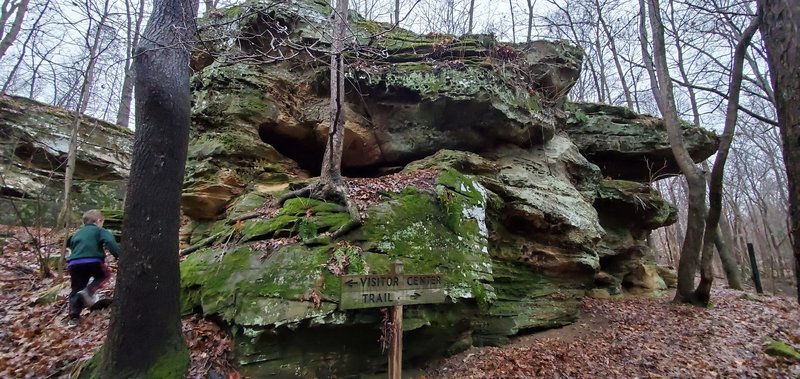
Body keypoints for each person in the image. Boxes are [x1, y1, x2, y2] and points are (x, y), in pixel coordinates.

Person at [66, 209, 120, 325]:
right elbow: (110, 242)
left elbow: (69, 243)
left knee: (76, 289)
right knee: (104, 275)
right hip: (93, 261)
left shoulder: (77, 233)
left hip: (74, 264)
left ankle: (73, 317)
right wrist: (119, 256)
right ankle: (88, 291)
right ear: (99, 221)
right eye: (102, 222)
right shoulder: (100, 231)